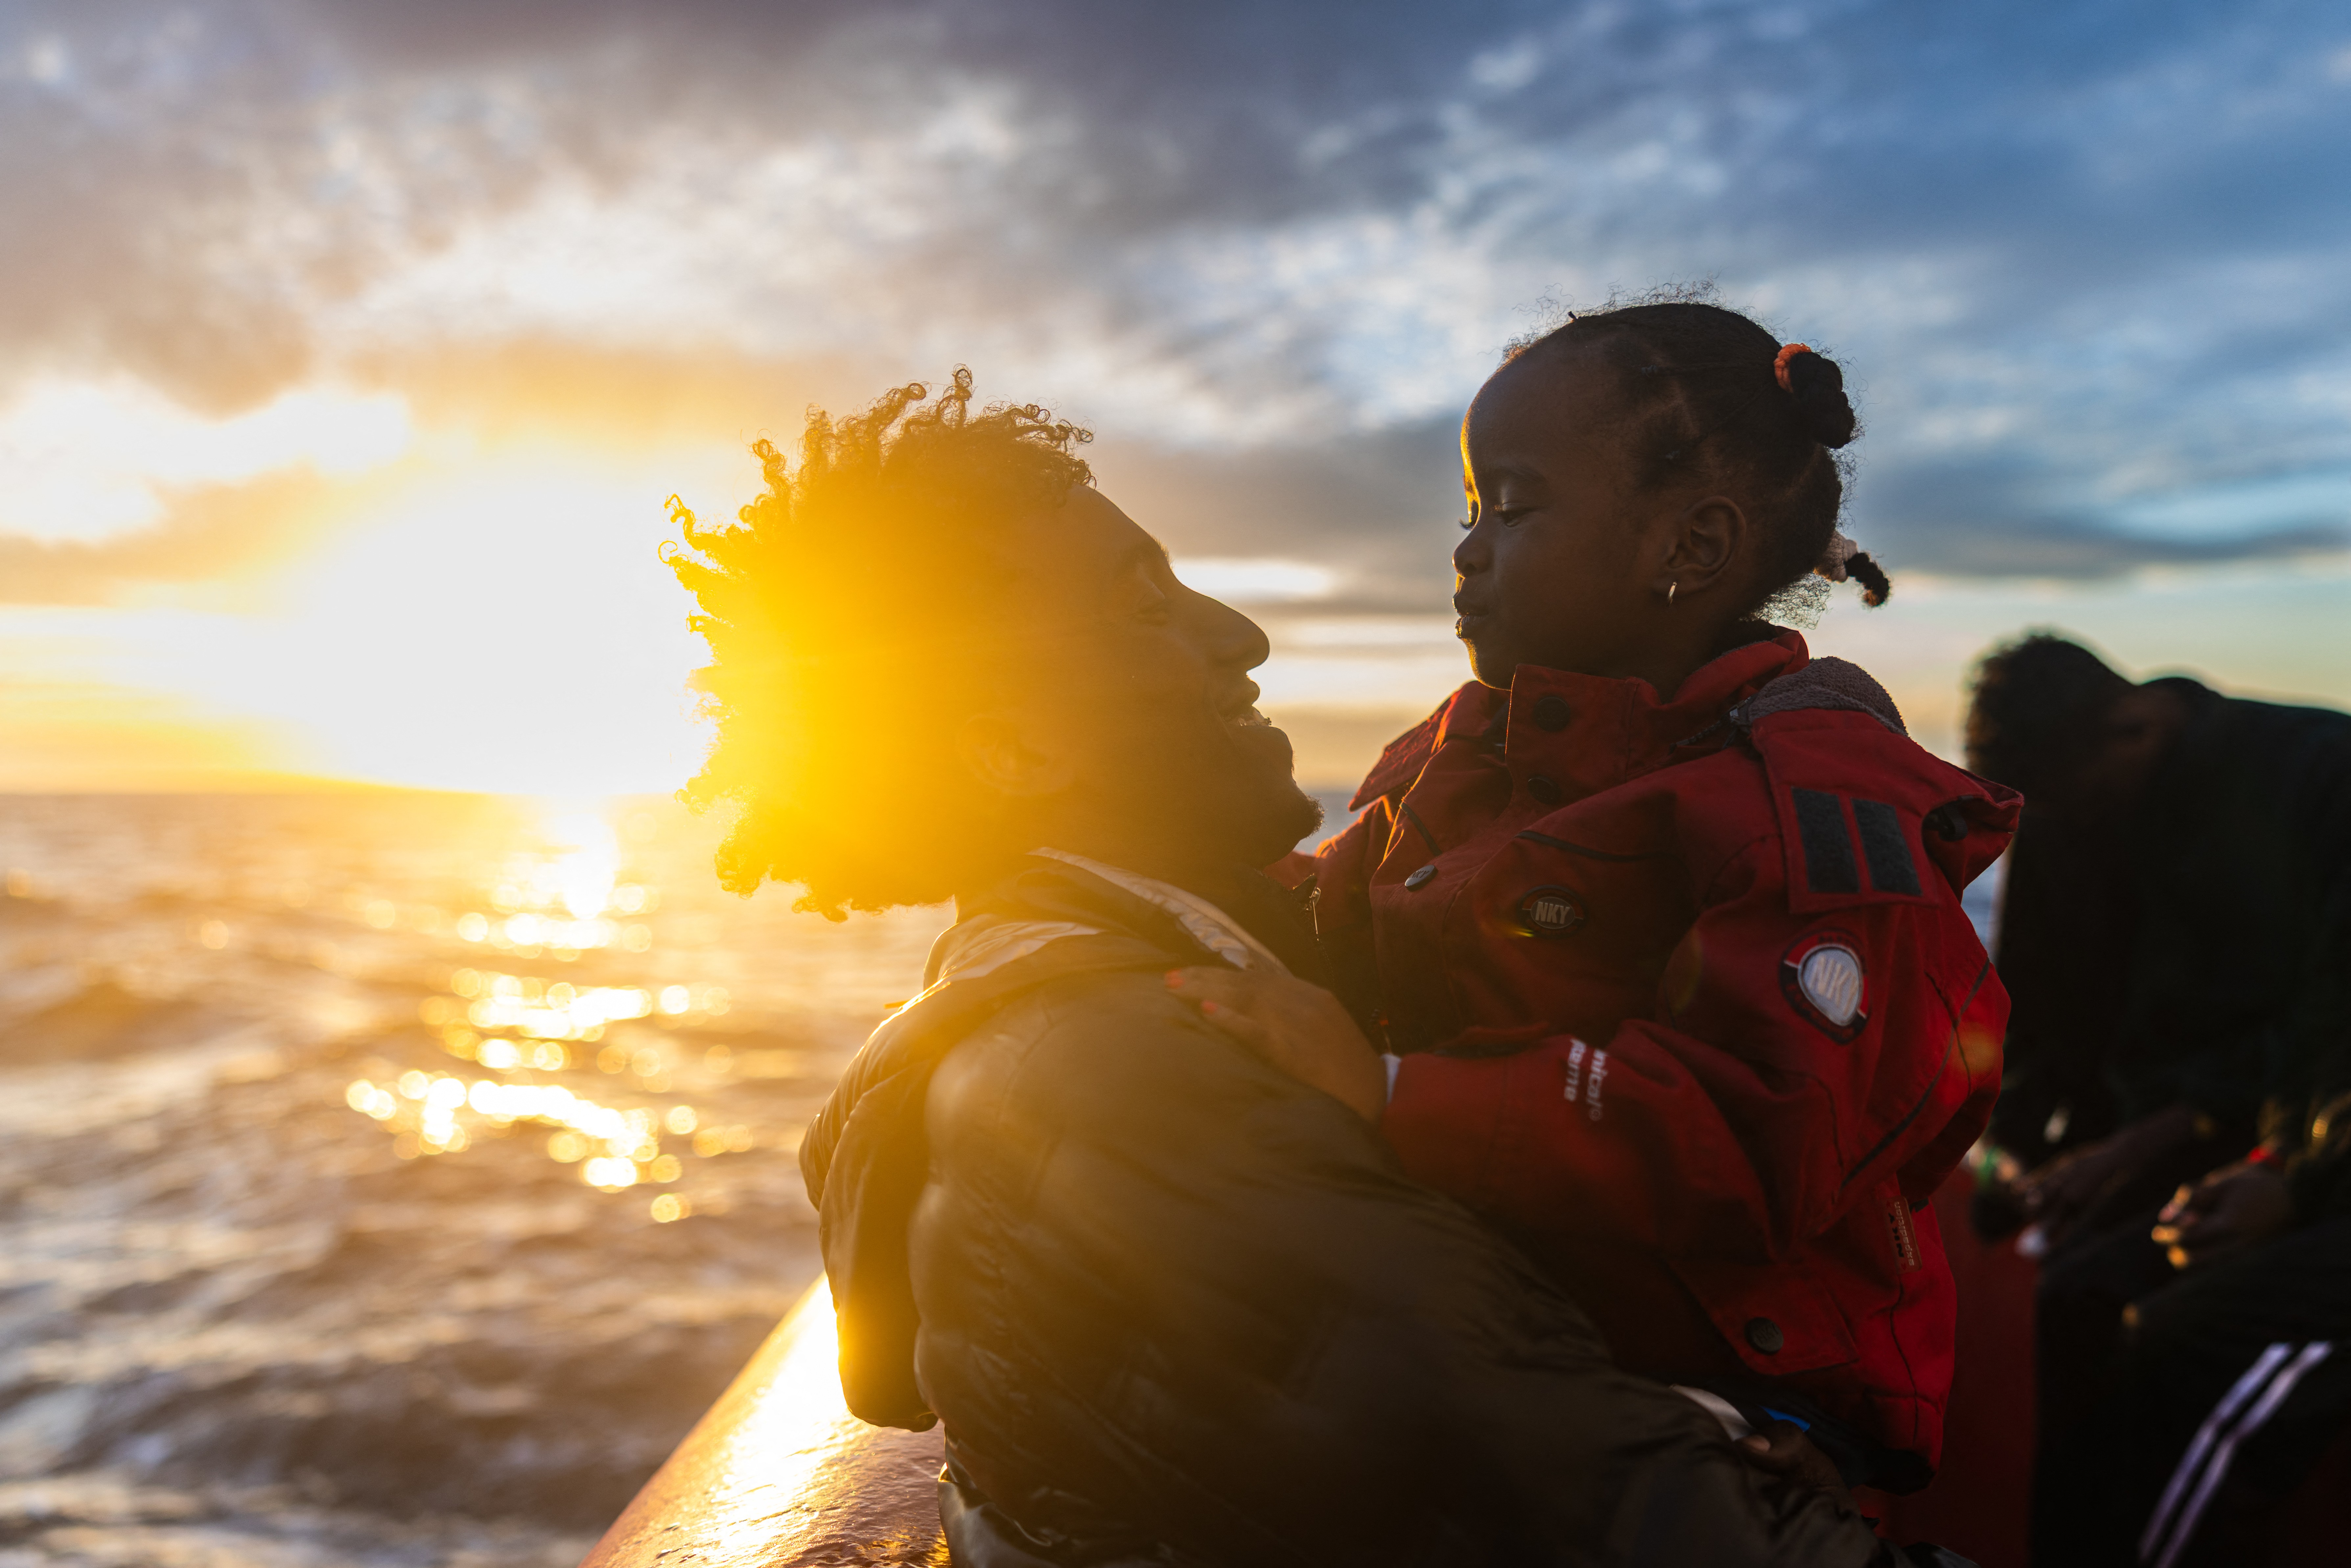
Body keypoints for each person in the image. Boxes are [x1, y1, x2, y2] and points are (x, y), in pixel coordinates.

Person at [664, 370, 1954, 1565]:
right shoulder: (1144, 1067)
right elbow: (1597, 1495)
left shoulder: (1214, 952)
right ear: (1011, 753)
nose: (1238, 635)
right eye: (1140, 601)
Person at [1174, 300, 2017, 1495]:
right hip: (1498, 1311)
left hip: (1739, 1391)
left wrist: (1392, 1093)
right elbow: (1335, 923)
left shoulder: (1810, 810)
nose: (1467, 548)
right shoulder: (1457, 756)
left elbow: (1761, 1133)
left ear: (1689, 548)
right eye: (1467, 511)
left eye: (1511, 508)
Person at [1960, 634, 2351, 1564]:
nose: (2057, 825)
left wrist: (2281, 1172)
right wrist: (2010, 1145)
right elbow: (2030, 999)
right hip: (2196, 1129)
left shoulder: (2320, 773)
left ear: (2133, 727)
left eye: (2071, 801)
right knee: (2057, 1293)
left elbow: (2323, 1020)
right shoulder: (2059, 795)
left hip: (2277, 1129)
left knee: (2146, 1318)